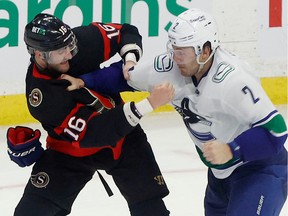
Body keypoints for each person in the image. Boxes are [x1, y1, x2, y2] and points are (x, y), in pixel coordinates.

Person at [64, 8, 288, 216]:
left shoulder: (233, 81)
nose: (175, 57)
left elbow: (276, 131)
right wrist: (84, 81)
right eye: (174, 49)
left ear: (206, 50)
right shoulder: (170, 66)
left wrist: (231, 150)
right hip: (220, 176)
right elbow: (125, 76)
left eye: (183, 52)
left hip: (260, 169)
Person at [6, 13, 174, 216]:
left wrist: (130, 60)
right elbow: (96, 133)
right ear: (40, 55)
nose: (69, 54)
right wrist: (147, 105)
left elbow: (126, 32)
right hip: (69, 152)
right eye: (61, 51)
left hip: (124, 140)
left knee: (150, 207)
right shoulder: (43, 97)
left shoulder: (76, 43)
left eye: (70, 47)